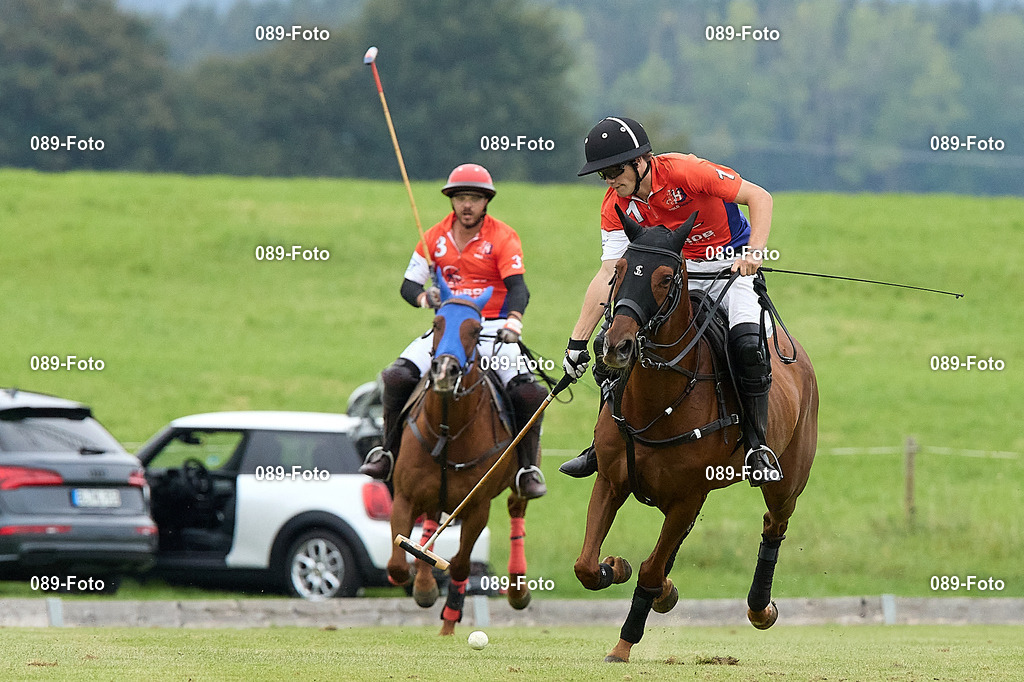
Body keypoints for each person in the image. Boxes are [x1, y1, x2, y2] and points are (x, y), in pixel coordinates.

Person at [560, 117, 781, 487]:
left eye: (614, 171)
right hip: (675, 278)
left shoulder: (687, 172)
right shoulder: (616, 204)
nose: (610, 181)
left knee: (747, 345)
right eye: (603, 175)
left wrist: (755, 252)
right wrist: (576, 342)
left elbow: (760, 197)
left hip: (731, 268)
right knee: (611, 343)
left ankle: (757, 446)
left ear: (640, 161)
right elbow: (607, 273)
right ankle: (602, 445)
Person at [359, 163, 547, 499]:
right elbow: (408, 285)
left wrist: (514, 321)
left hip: (491, 327)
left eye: (474, 198)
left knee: (529, 394)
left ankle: (526, 469)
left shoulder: (503, 236)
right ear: (452, 200)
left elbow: (518, 288)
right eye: (461, 198)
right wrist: (424, 298)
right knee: (396, 377)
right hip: (447, 329)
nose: (467, 205)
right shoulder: (433, 237)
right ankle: (387, 453)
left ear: (486, 201)